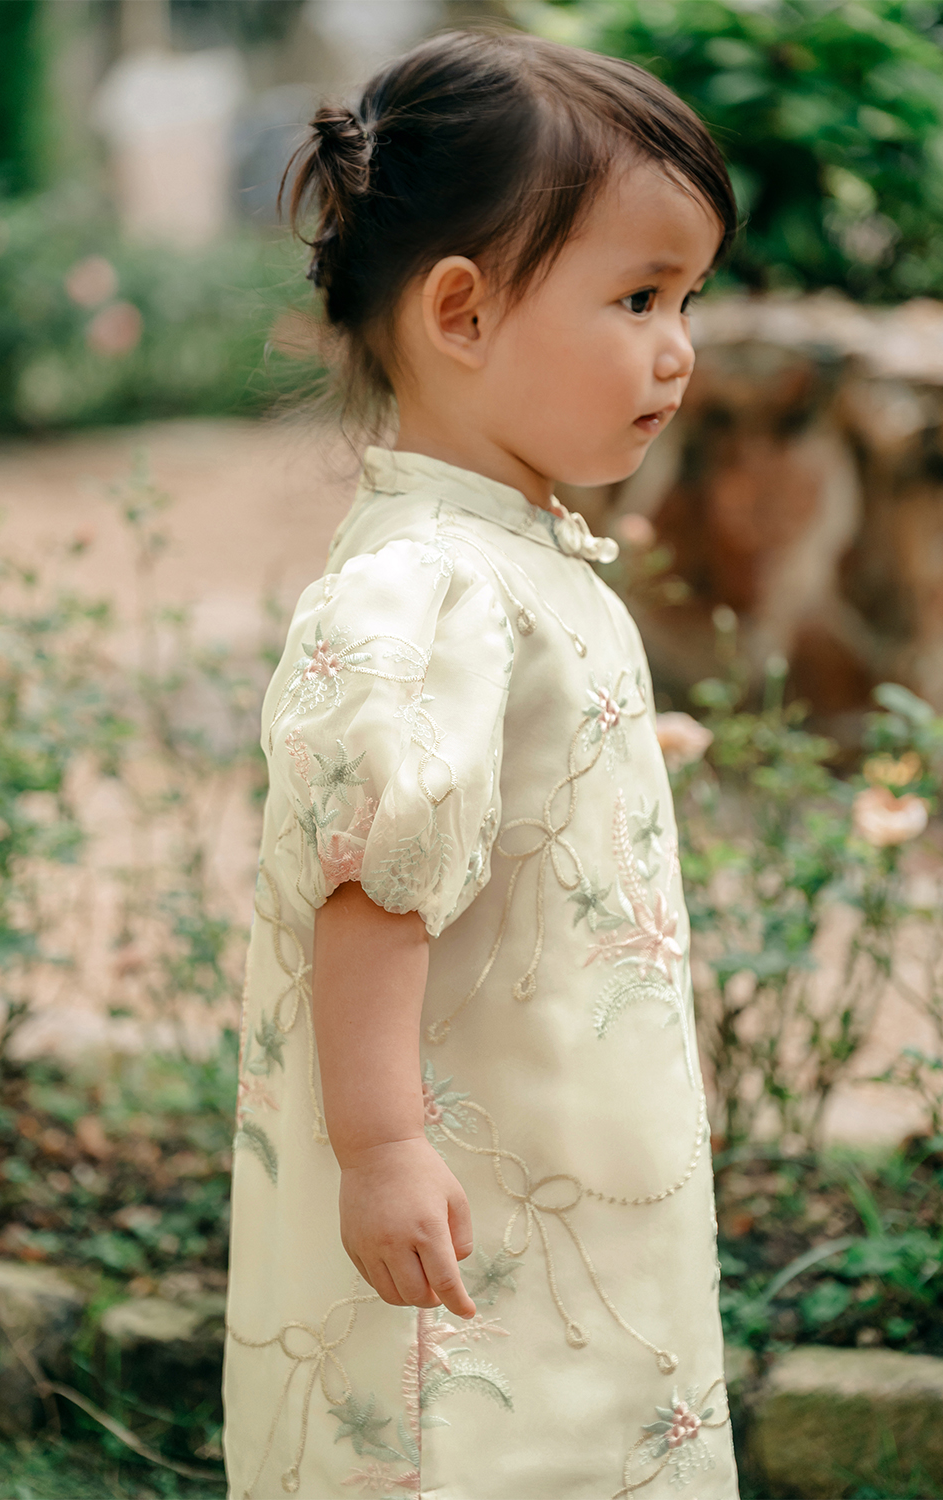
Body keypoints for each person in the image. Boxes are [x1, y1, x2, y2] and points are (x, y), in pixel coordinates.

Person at [223, 28, 740, 1500]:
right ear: (460, 311)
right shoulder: (432, 583)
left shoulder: (511, 550)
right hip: (469, 1172)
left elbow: (486, 800)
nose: (677, 346)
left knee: (580, 1405)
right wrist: (382, 1146)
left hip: (561, 1140)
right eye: (638, 297)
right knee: (477, 1436)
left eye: (688, 300)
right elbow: (372, 885)